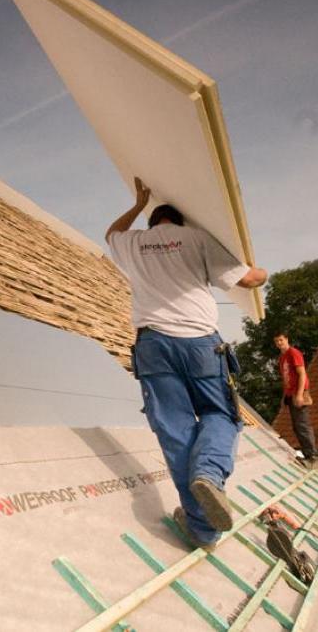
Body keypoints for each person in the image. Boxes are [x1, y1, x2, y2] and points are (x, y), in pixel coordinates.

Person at [106, 177, 267, 549]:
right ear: (180, 222)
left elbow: (112, 232)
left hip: (154, 345)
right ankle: (209, 474)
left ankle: (202, 528)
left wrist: (137, 203)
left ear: (152, 223)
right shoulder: (197, 240)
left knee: (175, 429)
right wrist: (259, 269)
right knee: (221, 415)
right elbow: (249, 281)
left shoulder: (134, 243)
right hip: (199, 346)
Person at [274, 333, 317, 468]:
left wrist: (299, 394)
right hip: (290, 394)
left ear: (287, 339)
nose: (279, 343)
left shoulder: (293, 353)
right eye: (276, 341)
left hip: (298, 393)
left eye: (281, 340)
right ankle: (307, 455)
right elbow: (287, 380)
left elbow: (302, 374)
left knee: (303, 425)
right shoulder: (282, 358)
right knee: (297, 426)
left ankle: (313, 459)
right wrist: (284, 397)